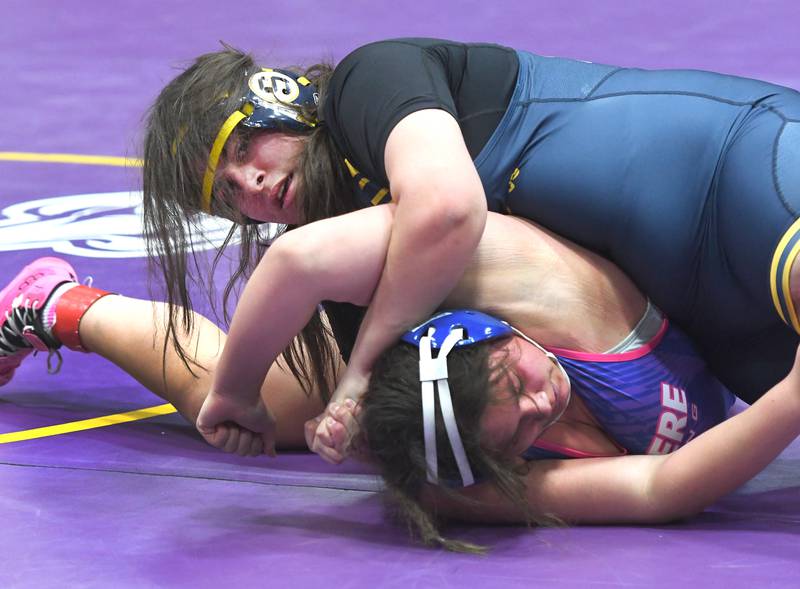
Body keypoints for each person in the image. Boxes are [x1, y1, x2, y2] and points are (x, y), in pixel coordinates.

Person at [141, 39, 800, 459]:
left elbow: (449, 207)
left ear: (276, 97)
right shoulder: (358, 267)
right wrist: (245, 404)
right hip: (720, 328)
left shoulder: (366, 85)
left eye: (240, 149)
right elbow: (314, 408)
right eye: (226, 196)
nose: (251, 186)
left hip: (736, 178)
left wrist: (328, 375)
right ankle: (62, 309)